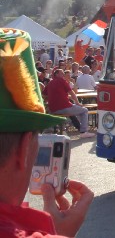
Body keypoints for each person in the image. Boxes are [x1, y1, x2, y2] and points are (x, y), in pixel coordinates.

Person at [0, 27, 94, 237]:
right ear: (24, 150)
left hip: (59, 108)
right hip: (66, 108)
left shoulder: (55, 79)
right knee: (84, 111)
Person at [46, 69, 94, 138]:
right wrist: (77, 103)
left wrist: (50, 99)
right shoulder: (62, 81)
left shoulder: (50, 83)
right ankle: (83, 131)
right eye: (62, 73)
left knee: (76, 110)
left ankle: (78, 126)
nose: (63, 75)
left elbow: (44, 94)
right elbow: (72, 93)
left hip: (53, 109)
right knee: (84, 110)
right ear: (56, 74)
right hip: (64, 107)